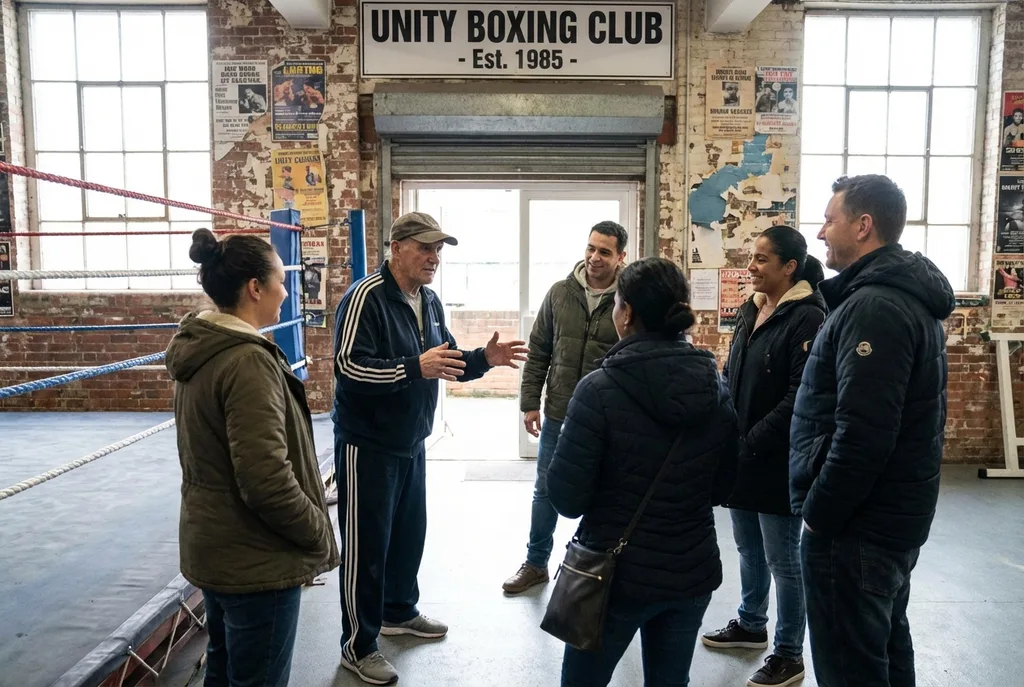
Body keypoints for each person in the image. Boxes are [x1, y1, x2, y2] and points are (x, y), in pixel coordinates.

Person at [332, 212, 529, 685]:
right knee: (366, 549)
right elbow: (348, 368)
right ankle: (357, 646)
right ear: (396, 247)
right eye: (425, 248)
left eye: (438, 250)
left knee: (408, 535)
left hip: (411, 442)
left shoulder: (430, 300)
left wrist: (484, 359)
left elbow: (446, 362)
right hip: (367, 445)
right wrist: (412, 368)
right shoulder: (365, 297)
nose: (434, 258)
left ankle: (399, 611)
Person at [790, 175, 955, 687]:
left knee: (850, 667)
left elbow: (864, 435)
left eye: (829, 220)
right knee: (883, 650)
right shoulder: (892, 298)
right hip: (885, 521)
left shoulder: (875, 308)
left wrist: (819, 516)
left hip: (857, 528)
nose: (820, 233)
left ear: (863, 226)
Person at [547, 257, 739, 687]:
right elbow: (724, 486)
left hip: (614, 577)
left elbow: (567, 499)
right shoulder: (716, 388)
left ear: (627, 313)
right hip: (691, 570)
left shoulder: (598, 390)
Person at [166, 229, 340, 687]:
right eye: (280, 281)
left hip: (217, 546)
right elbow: (266, 479)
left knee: (224, 671)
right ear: (255, 288)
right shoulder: (246, 361)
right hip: (257, 560)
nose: (286, 291)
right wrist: (316, 531)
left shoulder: (203, 346)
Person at [701, 226, 826, 687]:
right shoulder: (750, 309)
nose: (750, 267)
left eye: (760, 259)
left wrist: (750, 440)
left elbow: (800, 396)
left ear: (789, 267)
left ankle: (789, 653)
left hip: (777, 459)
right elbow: (731, 372)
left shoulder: (808, 317)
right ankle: (751, 624)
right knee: (748, 549)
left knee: (784, 561)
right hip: (742, 454)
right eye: (751, 257)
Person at [502, 220, 627, 595]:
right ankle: (535, 563)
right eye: (591, 248)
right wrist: (530, 402)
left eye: (604, 251)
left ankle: (596, 569)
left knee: (606, 493)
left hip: (606, 419)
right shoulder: (559, 293)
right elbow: (539, 351)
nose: (594, 257)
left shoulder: (629, 298)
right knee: (545, 490)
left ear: (621, 256)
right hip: (559, 412)